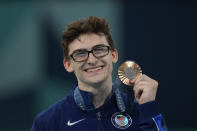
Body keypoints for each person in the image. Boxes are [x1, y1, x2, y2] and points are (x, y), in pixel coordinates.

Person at [31, 16, 167, 131]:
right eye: (80, 54)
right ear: (68, 64)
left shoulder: (140, 111)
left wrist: (148, 108)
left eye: (99, 49)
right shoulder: (48, 122)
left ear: (113, 55)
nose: (91, 60)